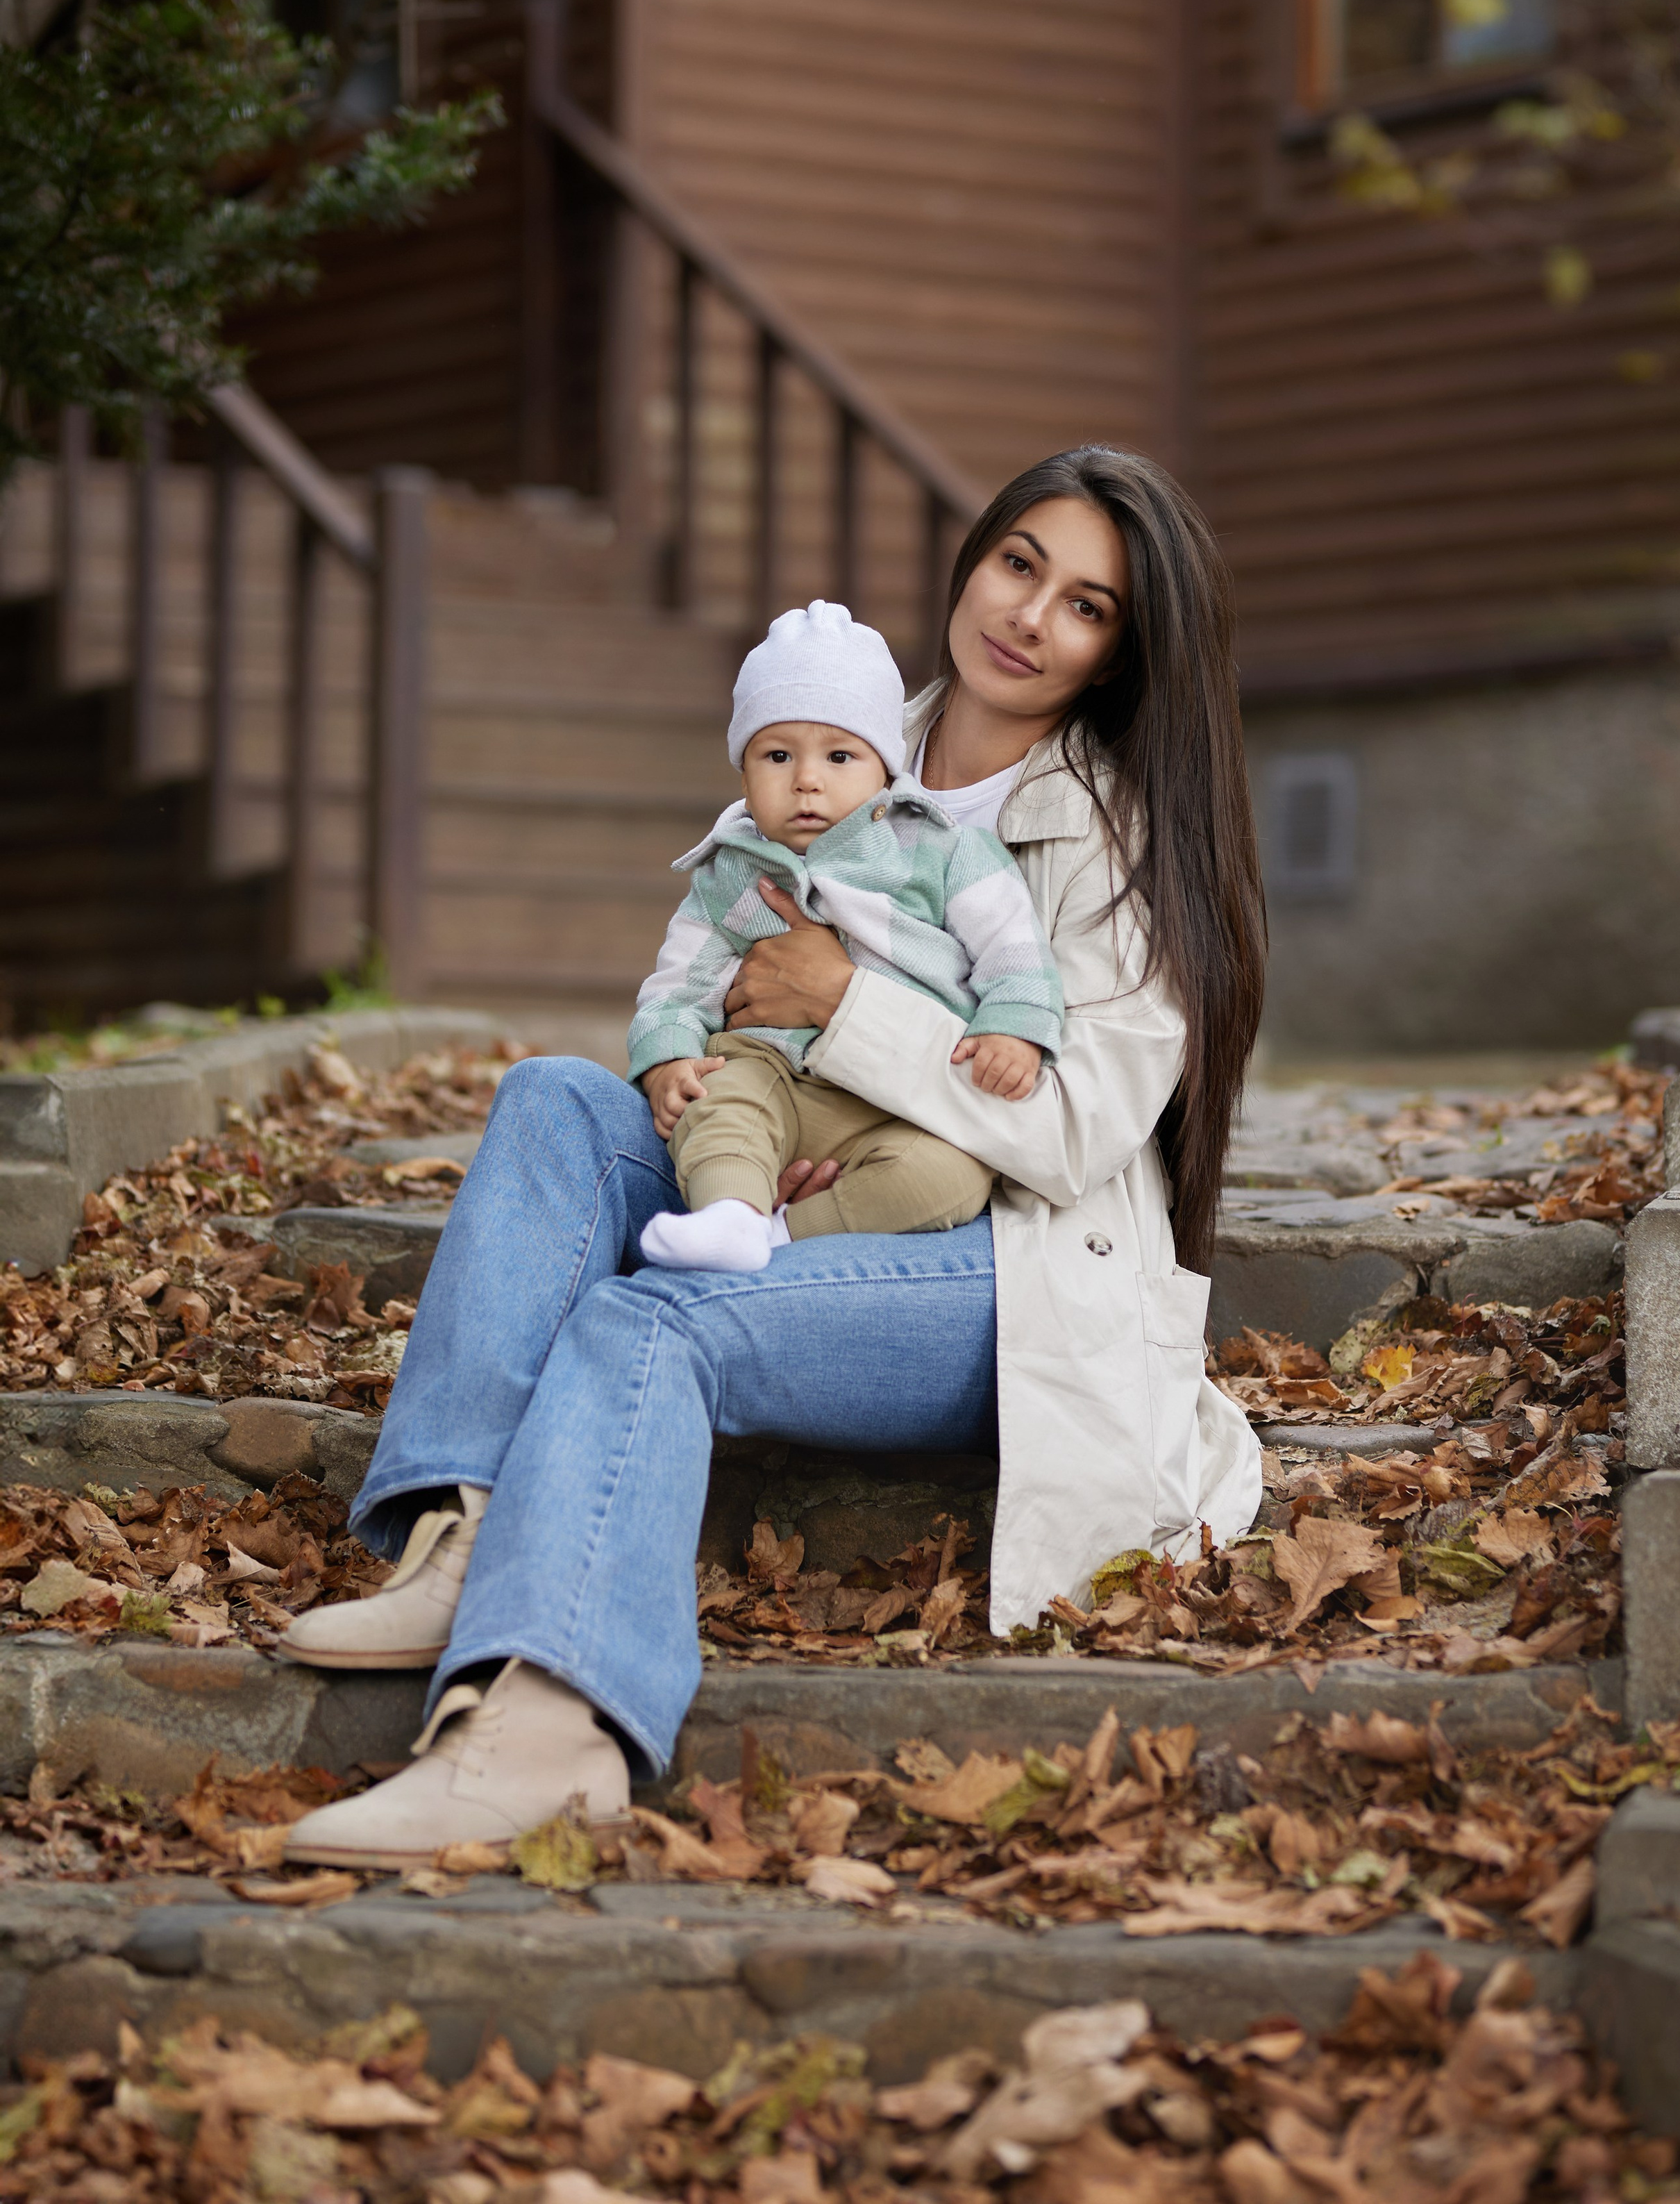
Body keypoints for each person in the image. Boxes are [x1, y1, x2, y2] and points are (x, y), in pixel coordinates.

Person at [280, 444, 1268, 1870]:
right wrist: (694, 1064)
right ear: (972, 557)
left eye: (1085, 606)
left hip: (994, 1264)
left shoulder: (1118, 840)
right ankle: (464, 1532)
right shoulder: (841, 728)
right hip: (786, 1139)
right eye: (1015, 564)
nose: (1027, 615)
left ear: (1119, 656)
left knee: (650, 1317)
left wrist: (844, 1010)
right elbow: (719, 952)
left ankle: (549, 1736)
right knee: (558, 1099)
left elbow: (1070, 1135)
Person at [632, 595, 1065, 1275]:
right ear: (742, 772)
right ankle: (731, 1215)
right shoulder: (734, 870)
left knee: (947, 1179)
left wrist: (1014, 1025)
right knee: (718, 1106)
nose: (806, 780)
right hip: (771, 1070)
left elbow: (1013, 949)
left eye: (839, 756)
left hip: (902, 1103)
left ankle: (781, 1235)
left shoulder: (942, 852)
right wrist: (666, 1058)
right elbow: (680, 980)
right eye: (776, 755)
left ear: (884, 770)